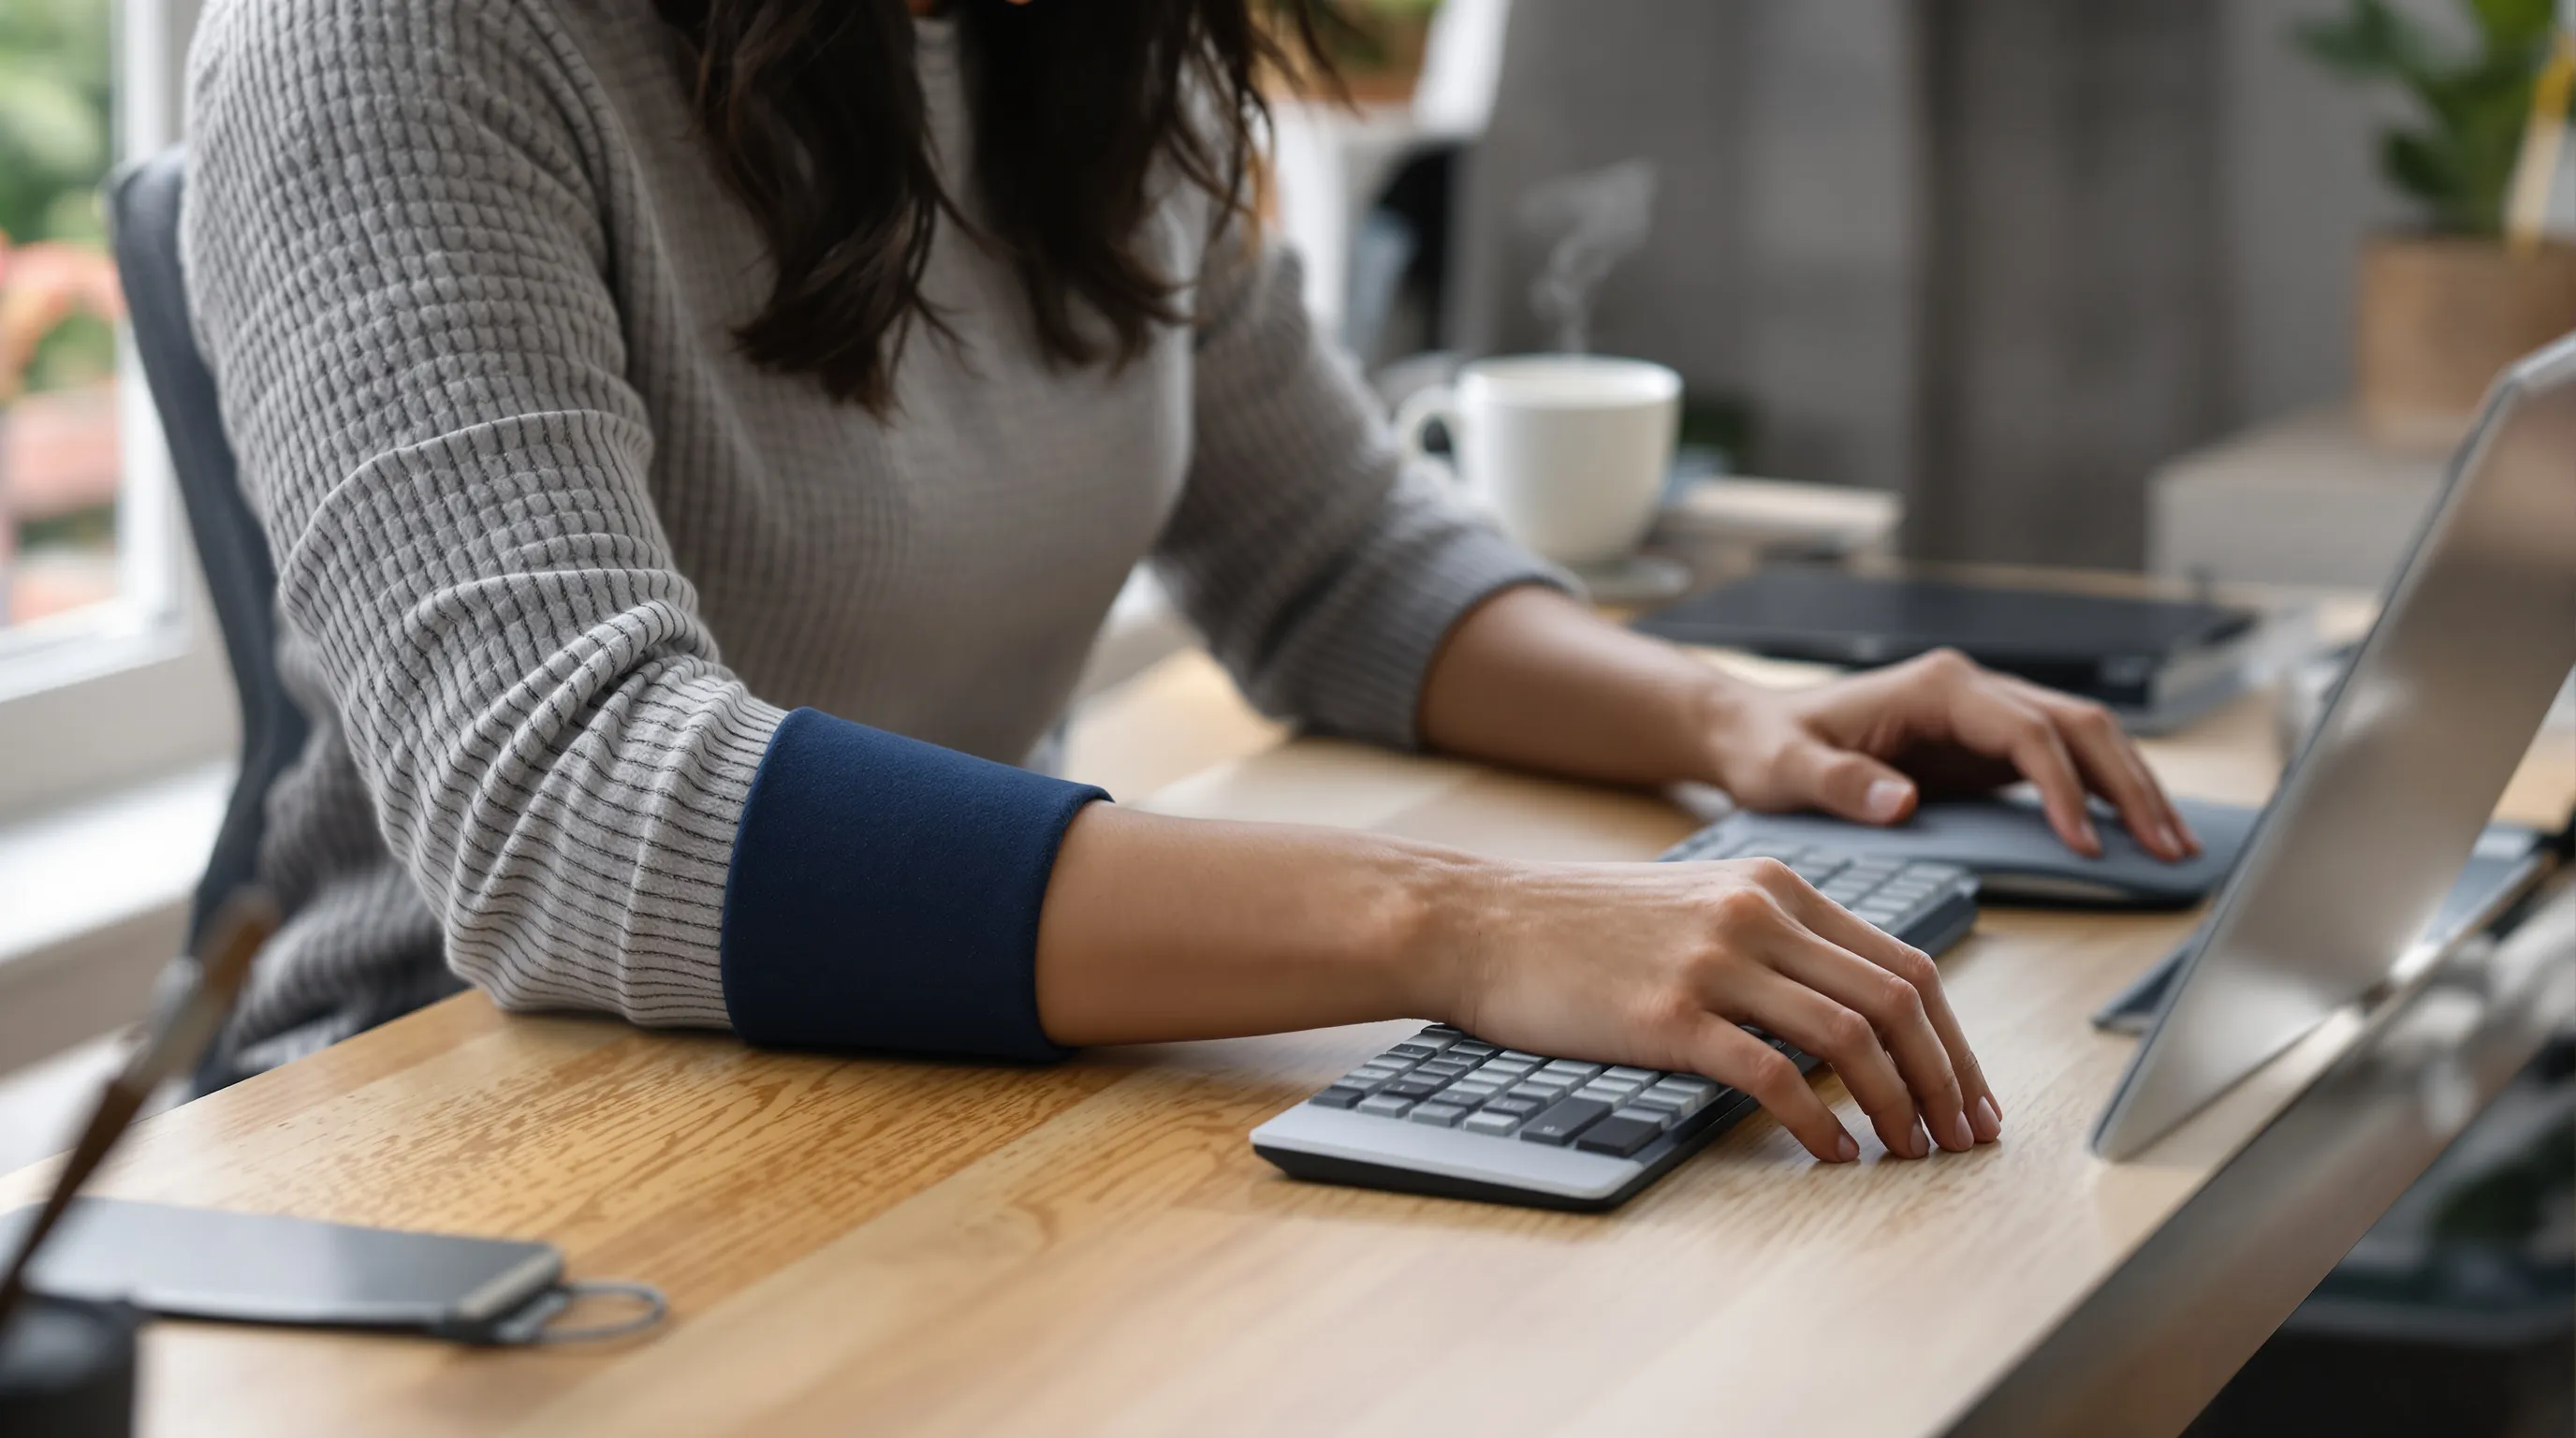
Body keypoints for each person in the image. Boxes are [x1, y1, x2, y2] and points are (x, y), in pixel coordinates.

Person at [183, 0, 2198, 1165]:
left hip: (908, 1091)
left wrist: (1726, 720)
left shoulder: (1096, 43)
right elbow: (569, 812)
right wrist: (1458, 925)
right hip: (448, 1148)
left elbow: (1321, 540)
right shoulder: (389, 49)